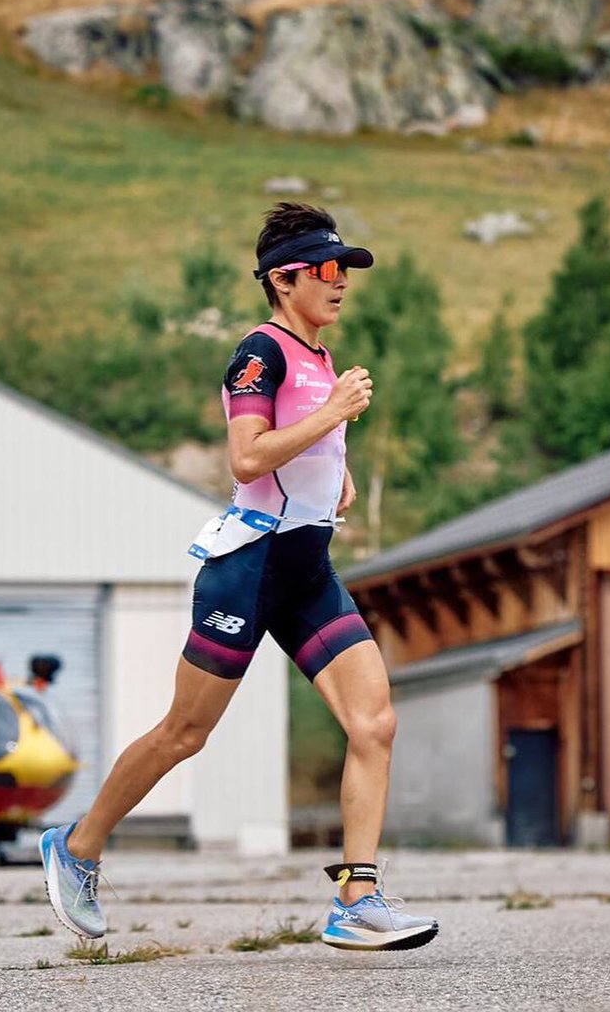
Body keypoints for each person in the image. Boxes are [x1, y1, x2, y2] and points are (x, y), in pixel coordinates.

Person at [40, 202, 437, 952]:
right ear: (284, 280)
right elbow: (248, 458)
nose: (341, 282)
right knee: (185, 733)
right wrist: (336, 419)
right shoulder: (261, 353)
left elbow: (300, 459)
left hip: (307, 571)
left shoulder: (318, 356)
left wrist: (337, 476)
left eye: (345, 269)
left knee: (373, 722)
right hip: (245, 571)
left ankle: (358, 896)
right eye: (326, 269)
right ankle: (78, 846)